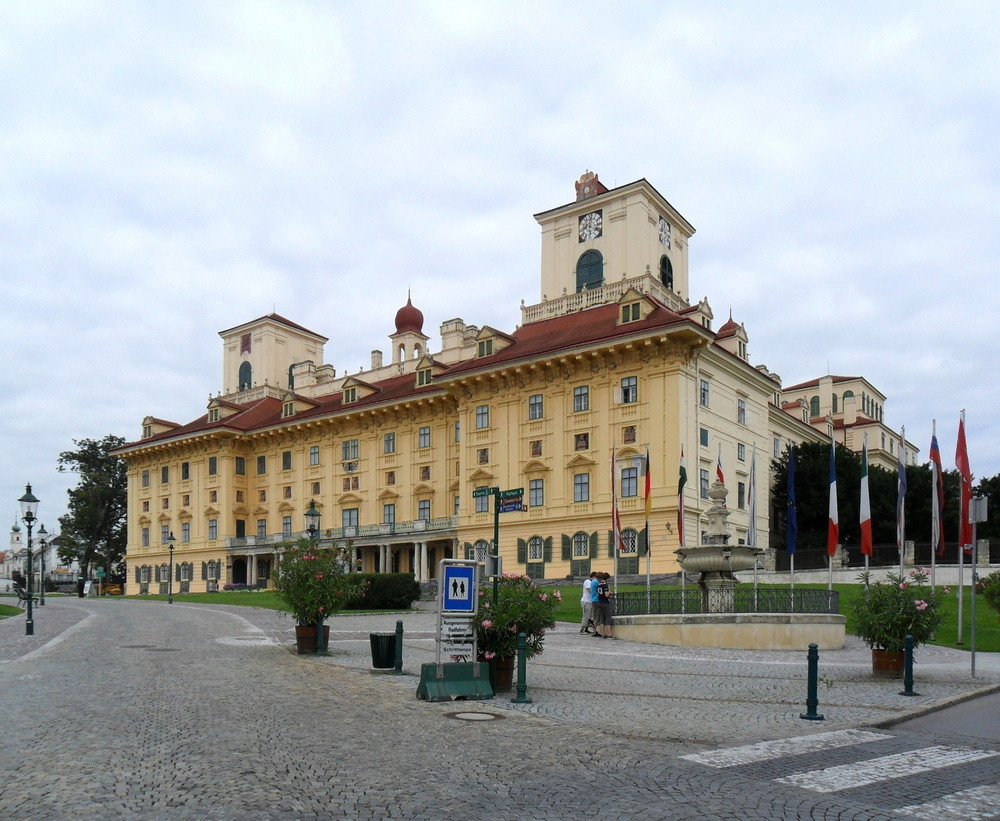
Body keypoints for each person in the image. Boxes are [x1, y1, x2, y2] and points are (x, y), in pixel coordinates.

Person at [594, 572, 615, 638]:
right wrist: (610, 594)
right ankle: (609, 633)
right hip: (605, 602)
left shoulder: (598, 585)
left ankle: (603, 633)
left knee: (602, 618)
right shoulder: (604, 585)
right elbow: (606, 594)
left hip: (599, 602)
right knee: (608, 617)